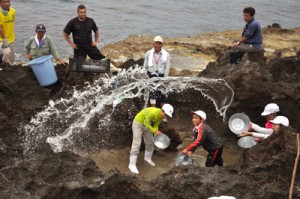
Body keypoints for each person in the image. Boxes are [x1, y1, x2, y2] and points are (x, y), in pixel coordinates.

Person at [128, 103, 174, 174]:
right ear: (162, 110)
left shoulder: (161, 117)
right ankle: (131, 165)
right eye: (165, 114)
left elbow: (156, 125)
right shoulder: (153, 112)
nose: (165, 116)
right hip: (138, 123)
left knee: (150, 143)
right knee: (137, 144)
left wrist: (156, 131)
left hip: (147, 125)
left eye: (167, 116)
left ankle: (147, 158)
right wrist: (154, 130)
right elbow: (145, 122)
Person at [143, 36, 170, 107]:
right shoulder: (148, 53)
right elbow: (145, 66)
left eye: (159, 43)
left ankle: (163, 112)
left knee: (163, 95)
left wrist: (165, 79)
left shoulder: (166, 54)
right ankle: (153, 110)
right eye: (156, 43)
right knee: (152, 94)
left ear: (162, 45)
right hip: (151, 76)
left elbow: (167, 68)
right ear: (153, 44)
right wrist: (144, 76)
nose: (157, 45)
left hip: (162, 76)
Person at [0, 0, 16, 65]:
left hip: (11, 38)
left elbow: (11, 24)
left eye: (8, 1)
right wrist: (5, 40)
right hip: (2, 39)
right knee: (7, 53)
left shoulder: (13, 11)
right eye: (4, 2)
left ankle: (2, 63)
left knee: (12, 59)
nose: (7, 4)